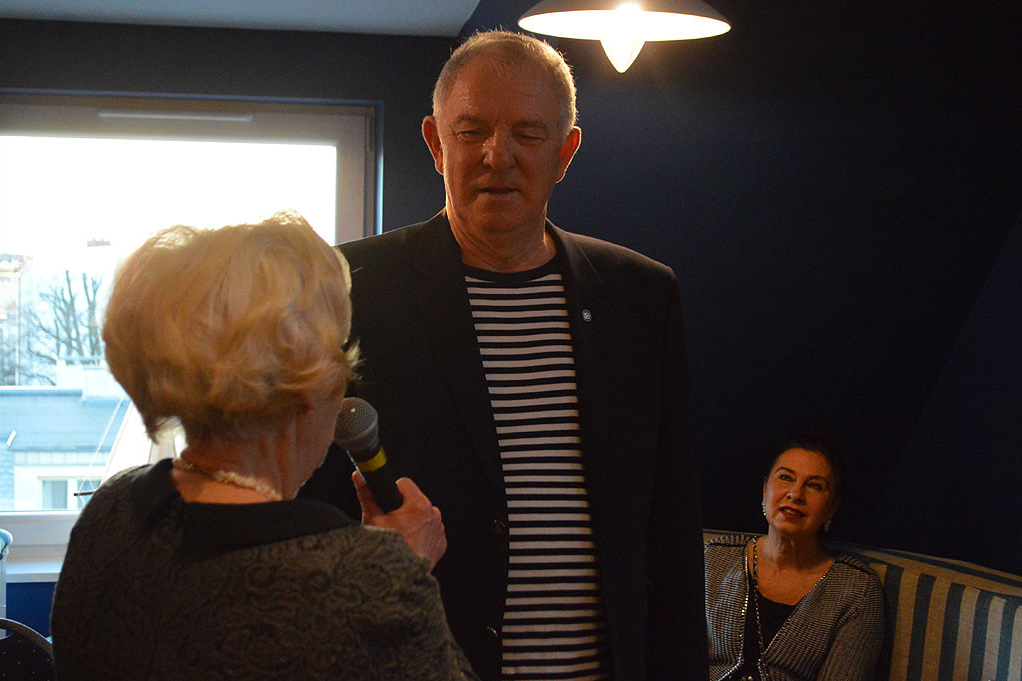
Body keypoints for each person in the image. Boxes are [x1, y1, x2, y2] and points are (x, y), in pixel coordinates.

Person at [298, 31, 707, 681]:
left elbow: (672, 528)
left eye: (528, 133)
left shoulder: (640, 296)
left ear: (565, 151)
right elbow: (303, 509)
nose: (498, 156)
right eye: (473, 131)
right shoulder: (349, 289)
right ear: (436, 144)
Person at [50, 212, 477, 681]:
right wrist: (403, 568)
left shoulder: (111, 511)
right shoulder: (365, 582)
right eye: (337, 351)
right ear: (307, 384)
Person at [704, 431, 885, 681]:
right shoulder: (715, 559)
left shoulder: (857, 590)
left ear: (832, 507)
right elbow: (674, 652)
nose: (795, 494)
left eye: (815, 486)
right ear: (765, 488)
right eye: (786, 478)